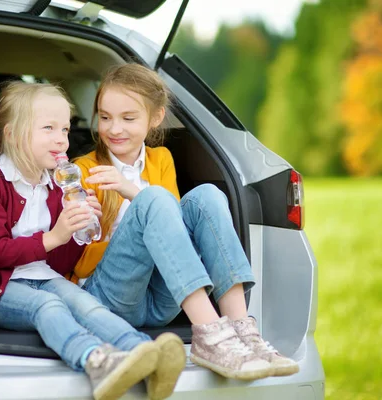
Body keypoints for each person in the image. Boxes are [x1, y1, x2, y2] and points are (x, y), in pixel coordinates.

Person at [73, 64, 300, 381]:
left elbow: (173, 229)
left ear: (155, 118)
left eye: (128, 118)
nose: (114, 128)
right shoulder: (84, 170)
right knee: (155, 199)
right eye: (105, 116)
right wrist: (101, 215)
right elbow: (78, 263)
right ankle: (209, 333)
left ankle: (242, 331)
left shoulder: (161, 159)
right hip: (111, 299)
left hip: (162, 300)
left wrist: (132, 192)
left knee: (207, 195)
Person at [0, 81, 186, 400]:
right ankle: (96, 362)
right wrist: (54, 235)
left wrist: (80, 228)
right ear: (14, 135)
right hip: (3, 290)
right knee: (49, 305)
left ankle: (143, 354)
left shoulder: (59, 185)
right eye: (49, 128)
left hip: (47, 277)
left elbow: (62, 262)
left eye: (66, 129)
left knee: (88, 306)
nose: (62, 139)